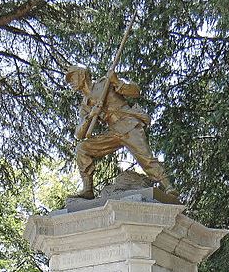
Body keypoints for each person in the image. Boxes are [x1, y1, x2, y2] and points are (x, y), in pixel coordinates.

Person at [65, 64, 177, 199]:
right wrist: (90, 115)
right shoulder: (85, 105)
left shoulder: (105, 82)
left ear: (82, 75)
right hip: (113, 132)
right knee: (82, 148)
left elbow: (135, 91)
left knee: (146, 158)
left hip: (128, 124)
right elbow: (78, 134)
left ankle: (169, 187)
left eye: (72, 78)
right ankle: (88, 189)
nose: (70, 82)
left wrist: (116, 81)